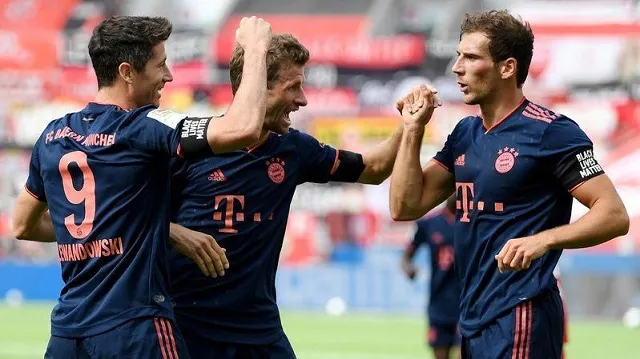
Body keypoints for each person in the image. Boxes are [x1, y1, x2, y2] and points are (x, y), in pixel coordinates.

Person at [12, 15, 272, 358]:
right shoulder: (143, 126)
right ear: (127, 72)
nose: (169, 75)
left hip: (67, 336)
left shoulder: (53, 135)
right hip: (134, 330)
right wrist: (255, 49)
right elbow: (244, 129)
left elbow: (22, 225)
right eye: (160, 65)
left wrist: (157, 229)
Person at [389, 10, 629, 359]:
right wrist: (412, 130)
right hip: (471, 318)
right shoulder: (464, 134)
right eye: (458, 56)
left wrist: (543, 240)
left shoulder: (551, 132)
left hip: (522, 312)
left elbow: (614, 214)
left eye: (470, 57)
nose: (457, 68)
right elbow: (404, 206)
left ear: (507, 67)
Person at [168, 33, 408, 359]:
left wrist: (408, 125)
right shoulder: (188, 144)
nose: (303, 100)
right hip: (188, 325)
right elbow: (129, 214)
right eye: (292, 87)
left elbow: (374, 168)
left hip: (258, 329)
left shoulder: (294, 149)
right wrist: (175, 231)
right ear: (257, 86)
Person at [401, 195, 460, 359]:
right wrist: (408, 268)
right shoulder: (428, 223)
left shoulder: (473, 222)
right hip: (439, 304)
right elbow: (406, 257)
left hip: (467, 303)